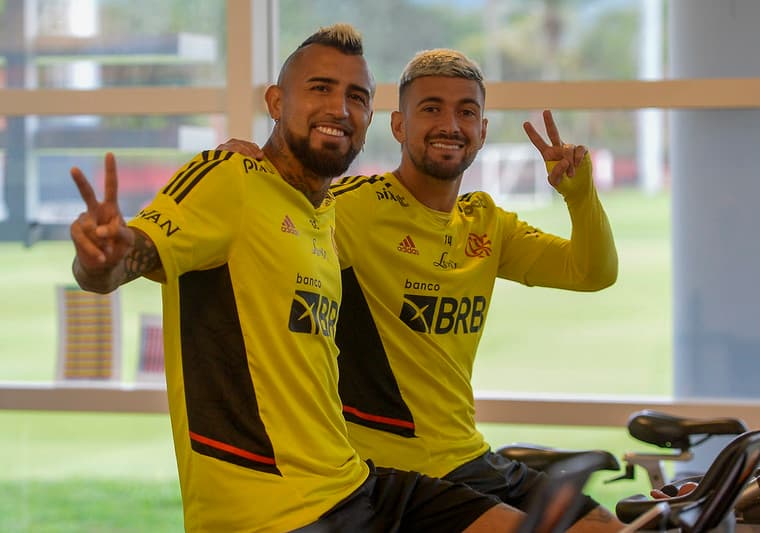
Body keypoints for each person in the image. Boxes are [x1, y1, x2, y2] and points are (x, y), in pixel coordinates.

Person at [69, 27, 525, 533]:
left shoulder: (327, 213)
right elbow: (125, 261)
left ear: (370, 118)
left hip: (353, 482)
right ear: (276, 101)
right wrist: (103, 256)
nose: (339, 108)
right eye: (320, 88)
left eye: (356, 97)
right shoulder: (230, 178)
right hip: (276, 512)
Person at [219, 48, 621, 531]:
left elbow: (591, 271)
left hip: (472, 457)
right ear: (398, 126)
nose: (450, 124)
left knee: (607, 527)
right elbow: (278, 221)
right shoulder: (351, 210)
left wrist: (580, 195)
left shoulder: (487, 223)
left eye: (466, 112)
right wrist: (251, 169)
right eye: (431, 108)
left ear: (483, 132)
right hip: (394, 474)